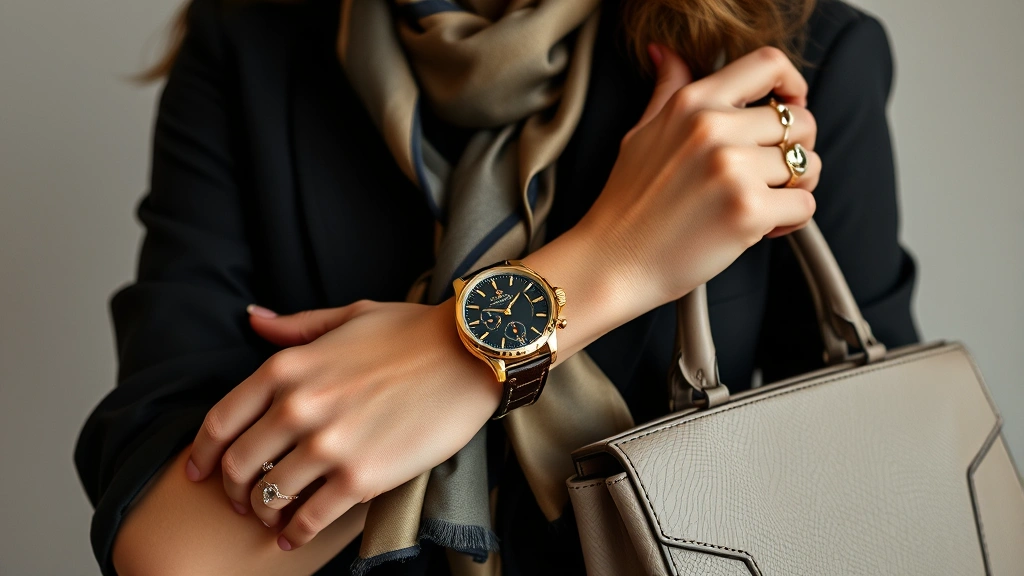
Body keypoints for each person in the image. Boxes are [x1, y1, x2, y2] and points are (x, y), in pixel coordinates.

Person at [74, 0, 918, 574]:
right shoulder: (252, 42)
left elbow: (886, 496)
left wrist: (446, 364)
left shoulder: (788, 46)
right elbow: (168, 553)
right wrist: (603, 268)